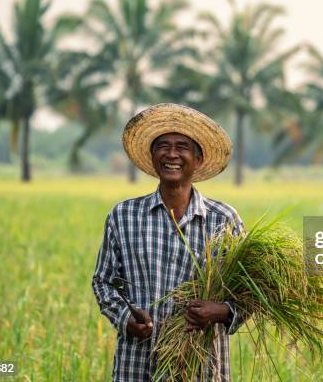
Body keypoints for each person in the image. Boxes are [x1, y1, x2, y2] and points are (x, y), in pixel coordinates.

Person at [92, 103, 244, 381]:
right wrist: (126, 319)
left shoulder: (224, 220)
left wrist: (220, 311)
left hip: (202, 366)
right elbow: (103, 281)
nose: (172, 154)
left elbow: (249, 295)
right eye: (163, 146)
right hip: (137, 366)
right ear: (152, 157)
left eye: (182, 147)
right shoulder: (123, 216)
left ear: (197, 160)